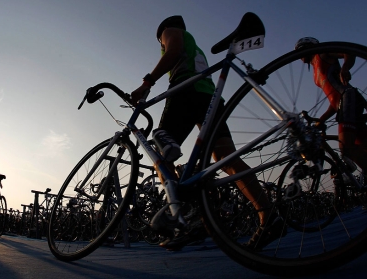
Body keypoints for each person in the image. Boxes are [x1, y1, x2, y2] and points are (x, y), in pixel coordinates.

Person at [131, 16, 283, 250]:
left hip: (185, 92)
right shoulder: (194, 46)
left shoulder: (170, 31)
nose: (161, 44)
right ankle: (267, 215)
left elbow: (173, 51)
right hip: (208, 96)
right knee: (225, 158)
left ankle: (182, 217)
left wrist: (146, 83)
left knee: (160, 156)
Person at [295, 37, 367, 176]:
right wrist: (320, 120)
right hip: (343, 102)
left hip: (348, 98)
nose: (299, 56)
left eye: (301, 51)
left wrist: (345, 68)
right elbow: (334, 100)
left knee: (347, 148)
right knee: (362, 146)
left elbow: (349, 52)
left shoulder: (322, 54)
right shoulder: (315, 70)